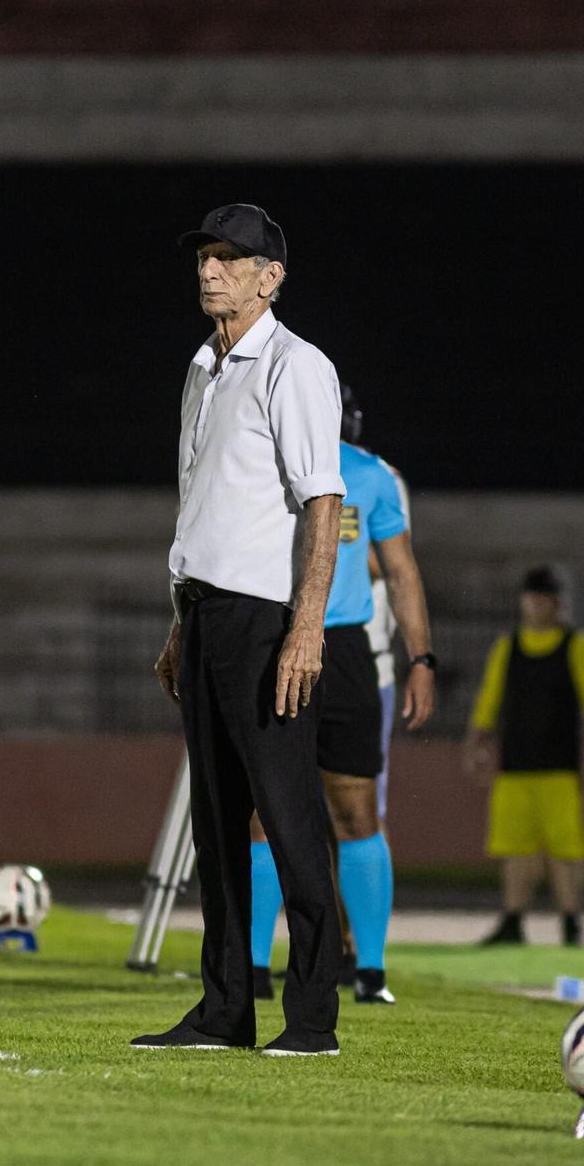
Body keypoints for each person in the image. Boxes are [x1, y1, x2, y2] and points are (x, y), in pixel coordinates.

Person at [131, 203, 346, 1058]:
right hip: (207, 613)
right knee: (216, 826)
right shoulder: (201, 366)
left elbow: (322, 500)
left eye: (230, 258)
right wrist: (180, 616)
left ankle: (313, 1020)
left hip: (266, 622)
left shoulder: (295, 366)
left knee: (291, 823)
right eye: (205, 257)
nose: (210, 270)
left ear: (271, 276)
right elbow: (204, 500)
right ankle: (225, 1011)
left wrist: (307, 628)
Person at [250, 388, 435, 1005]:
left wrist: (421, 658)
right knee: (262, 814)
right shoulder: (260, 461)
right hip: (274, 642)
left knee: (356, 812)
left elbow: (401, 569)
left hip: (348, 655)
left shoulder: (370, 475)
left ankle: (371, 971)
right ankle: (251, 965)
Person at [463, 565, 584, 946]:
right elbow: (488, 700)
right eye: (531, 598)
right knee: (514, 848)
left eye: (545, 599)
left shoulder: (580, 647)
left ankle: (571, 921)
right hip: (513, 767)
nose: (537, 606)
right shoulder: (507, 647)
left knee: (566, 849)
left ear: (559, 603)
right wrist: (476, 744)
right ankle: (513, 920)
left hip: (559, 767)